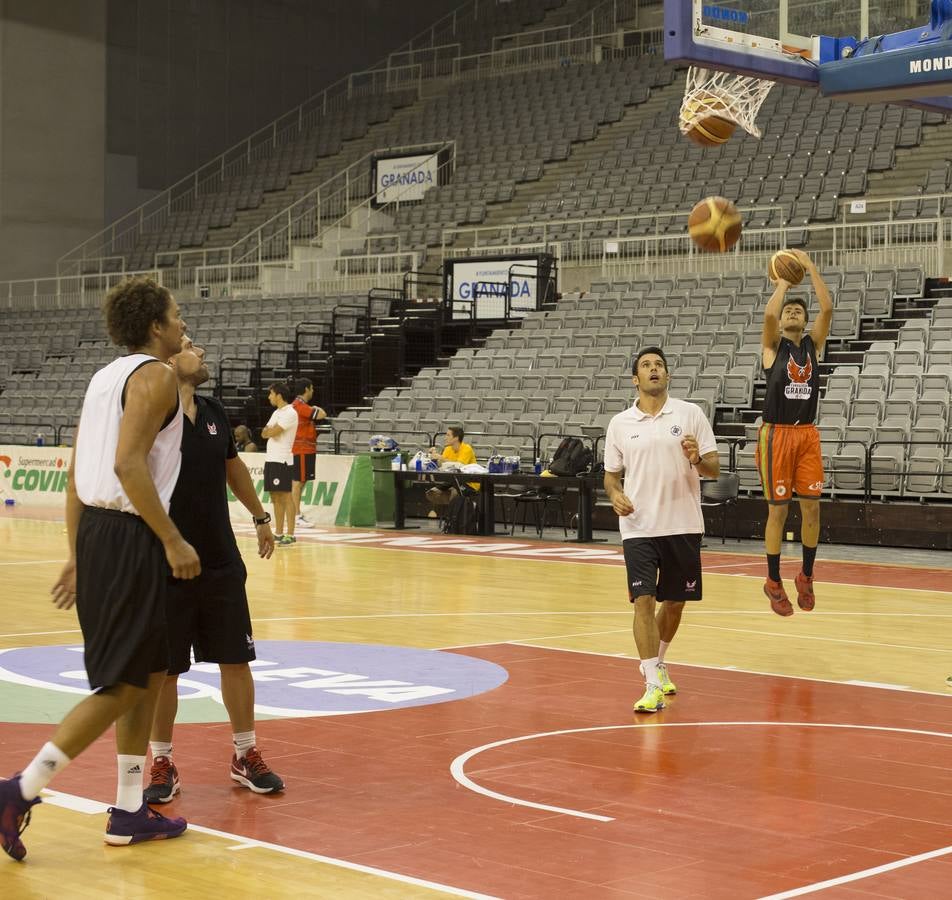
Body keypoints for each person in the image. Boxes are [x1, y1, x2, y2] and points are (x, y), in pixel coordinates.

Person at [1, 276, 201, 861]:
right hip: (131, 534)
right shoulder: (155, 375)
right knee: (122, 685)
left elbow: (75, 474)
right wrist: (171, 539)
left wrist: (75, 553)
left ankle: (130, 809)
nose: (183, 323)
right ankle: (19, 789)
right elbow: (127, 465)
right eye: (177, 315)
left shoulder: (101, 378)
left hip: (99, 533)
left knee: (147, 673)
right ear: (156, 327)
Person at [144, 338, 283, 805]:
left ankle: (246, 754)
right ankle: (161, 760)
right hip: (166, 559)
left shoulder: (214, 411)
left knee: (236, 658)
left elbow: (233, 467)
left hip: (220, 559)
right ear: (167, 361)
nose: (200, 350)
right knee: (165, 669)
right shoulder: (151, 414)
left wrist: (261, 518)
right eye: (188, 345)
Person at [603, 347, 719, 714]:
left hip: (682, 523)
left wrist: (697, 458)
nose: (654, 370)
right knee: (643, 601)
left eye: (659, 366)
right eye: (646, 366)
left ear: (667, 376)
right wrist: (615, 494)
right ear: (635, 379)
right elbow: (610, 475)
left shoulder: (690, 414)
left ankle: (660, 660)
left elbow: (714, 470)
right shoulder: (620, 423)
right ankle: (651, 682)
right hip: (638, 525)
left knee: (675, 602)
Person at [758, 249, 832, 616]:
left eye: (798, 312)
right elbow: (771, 313)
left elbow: (828, 309)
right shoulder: (774, 348)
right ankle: (773, 580)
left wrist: (811, 268)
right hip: (776, 435)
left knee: (813, 510)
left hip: (807, 435)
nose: (792, 313)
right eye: (790, 310)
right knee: (778, 513)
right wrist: (782, 284)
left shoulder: (811, 346)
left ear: (804, 322)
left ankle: (806, 574)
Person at [260, 382, 298, 545]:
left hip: (282, 460)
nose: (269, 397)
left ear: (279, 395)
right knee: (275, 497)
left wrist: (271, 431)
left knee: (286, 495)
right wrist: (270, 431)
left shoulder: (290, 413)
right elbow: (263, 433)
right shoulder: (276, 413)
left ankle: (290, 533)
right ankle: (279, 532)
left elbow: (273, 432)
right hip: (271, 459)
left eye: (271, 394)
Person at [289, 378, 326, 528]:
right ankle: (296, 516)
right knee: (297, 482)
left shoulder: (299, 405)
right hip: (302, 449)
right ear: (306, 389)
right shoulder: (300, 406)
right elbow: (321, 414)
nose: (313, 391)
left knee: (300, 481)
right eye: (311, 388)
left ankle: (295, 514)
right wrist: (317, 407)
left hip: (306, 448)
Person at [425, 425, 478, 516]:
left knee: (455, 492)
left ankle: (457, 514)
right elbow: (442, 467)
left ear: (456, 438)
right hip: (453, 481)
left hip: (469, 482)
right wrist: (433, 457)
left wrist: (441, 458)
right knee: (431, 493)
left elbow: (459, 467)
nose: (445, 438)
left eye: (448, 435)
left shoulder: (467, 449)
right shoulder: (447, 449)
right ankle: (461, 506)